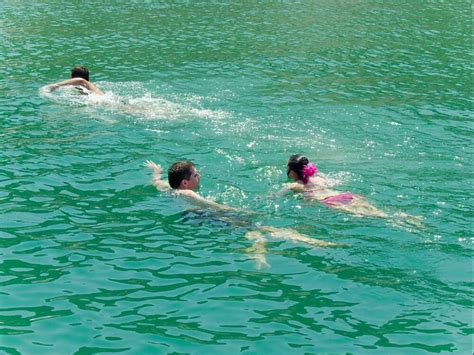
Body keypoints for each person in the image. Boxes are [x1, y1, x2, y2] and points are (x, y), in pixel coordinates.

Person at [145, 159, 338, 268]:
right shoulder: (187, 193)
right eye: (195, 174)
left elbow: (157, 182)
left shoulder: (170, 189)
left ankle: (294, 244)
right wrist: (237, 210)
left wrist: (156, 171)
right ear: (185, 182)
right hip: (207, 215)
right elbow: (210, 205)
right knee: (255, 229)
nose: (199, 175)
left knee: (256, 229)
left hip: (197, 217)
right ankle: (262, 254)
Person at [283, 154, 388, 218]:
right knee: (378, 212)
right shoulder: (321, 177)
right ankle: (401, 216)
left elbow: (276, 195)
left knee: (372, 216)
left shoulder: (294, 185)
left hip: (331, 201)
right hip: (346, 195)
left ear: (292, 173)